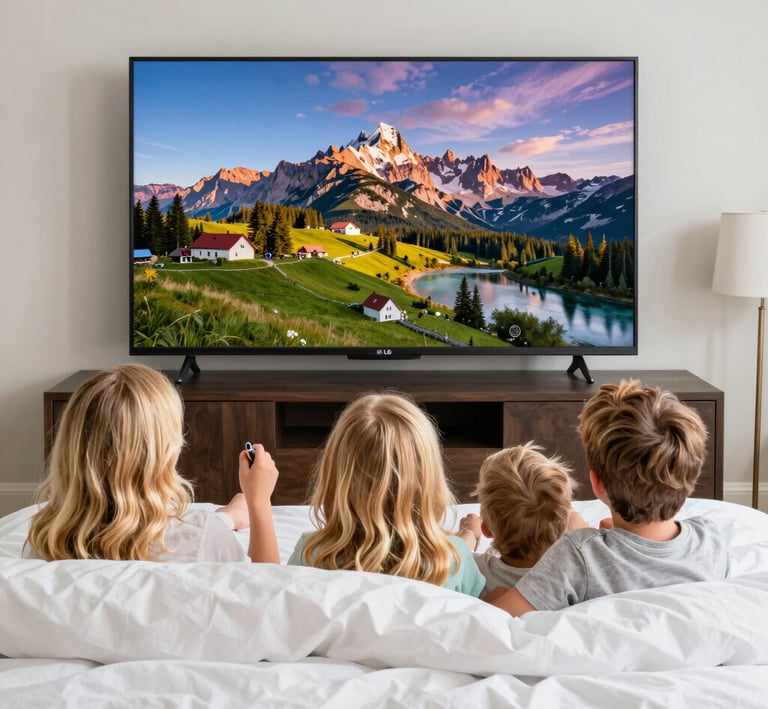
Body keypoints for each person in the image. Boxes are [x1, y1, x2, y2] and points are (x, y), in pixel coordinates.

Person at [488, 379, 730, 616]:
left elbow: (499, 616)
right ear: (691, 477)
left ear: (597, 484)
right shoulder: (711, 540)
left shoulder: (579, 555)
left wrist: (493, 596)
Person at [24, 363, 279, 564]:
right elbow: (265, 589)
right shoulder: (202, 537)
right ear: (165, 448)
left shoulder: (44, 541)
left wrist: (226, 518)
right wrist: (259, 502)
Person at [287, 391, 485, 596]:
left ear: (335, 476)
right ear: (428, 479)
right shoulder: (454, 558)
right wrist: (467, 537)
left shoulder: (310, 554)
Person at [456, 442, 588, 598]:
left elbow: (452, 556)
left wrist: (468, 532)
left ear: (486, 530)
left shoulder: (476, 571)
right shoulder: (578, 572)